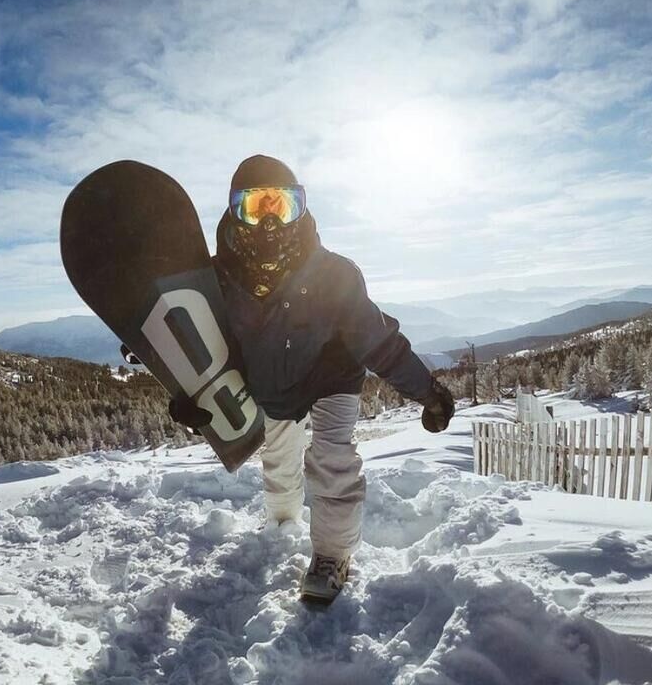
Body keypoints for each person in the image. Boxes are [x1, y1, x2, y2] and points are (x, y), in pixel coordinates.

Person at [167, 154, 456, 604]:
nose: (269, 222)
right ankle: (282, 526)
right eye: (254, 207)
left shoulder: (333, 274)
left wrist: (427, 392)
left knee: (332, 458)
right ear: (232, 212)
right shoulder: (216, 281)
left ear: (300, 209)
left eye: (282, 206)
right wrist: (190, 394)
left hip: (330, 376)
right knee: (280, 464)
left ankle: (332, 556)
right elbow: (205, 345)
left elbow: (377, 340)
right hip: (270, 385)